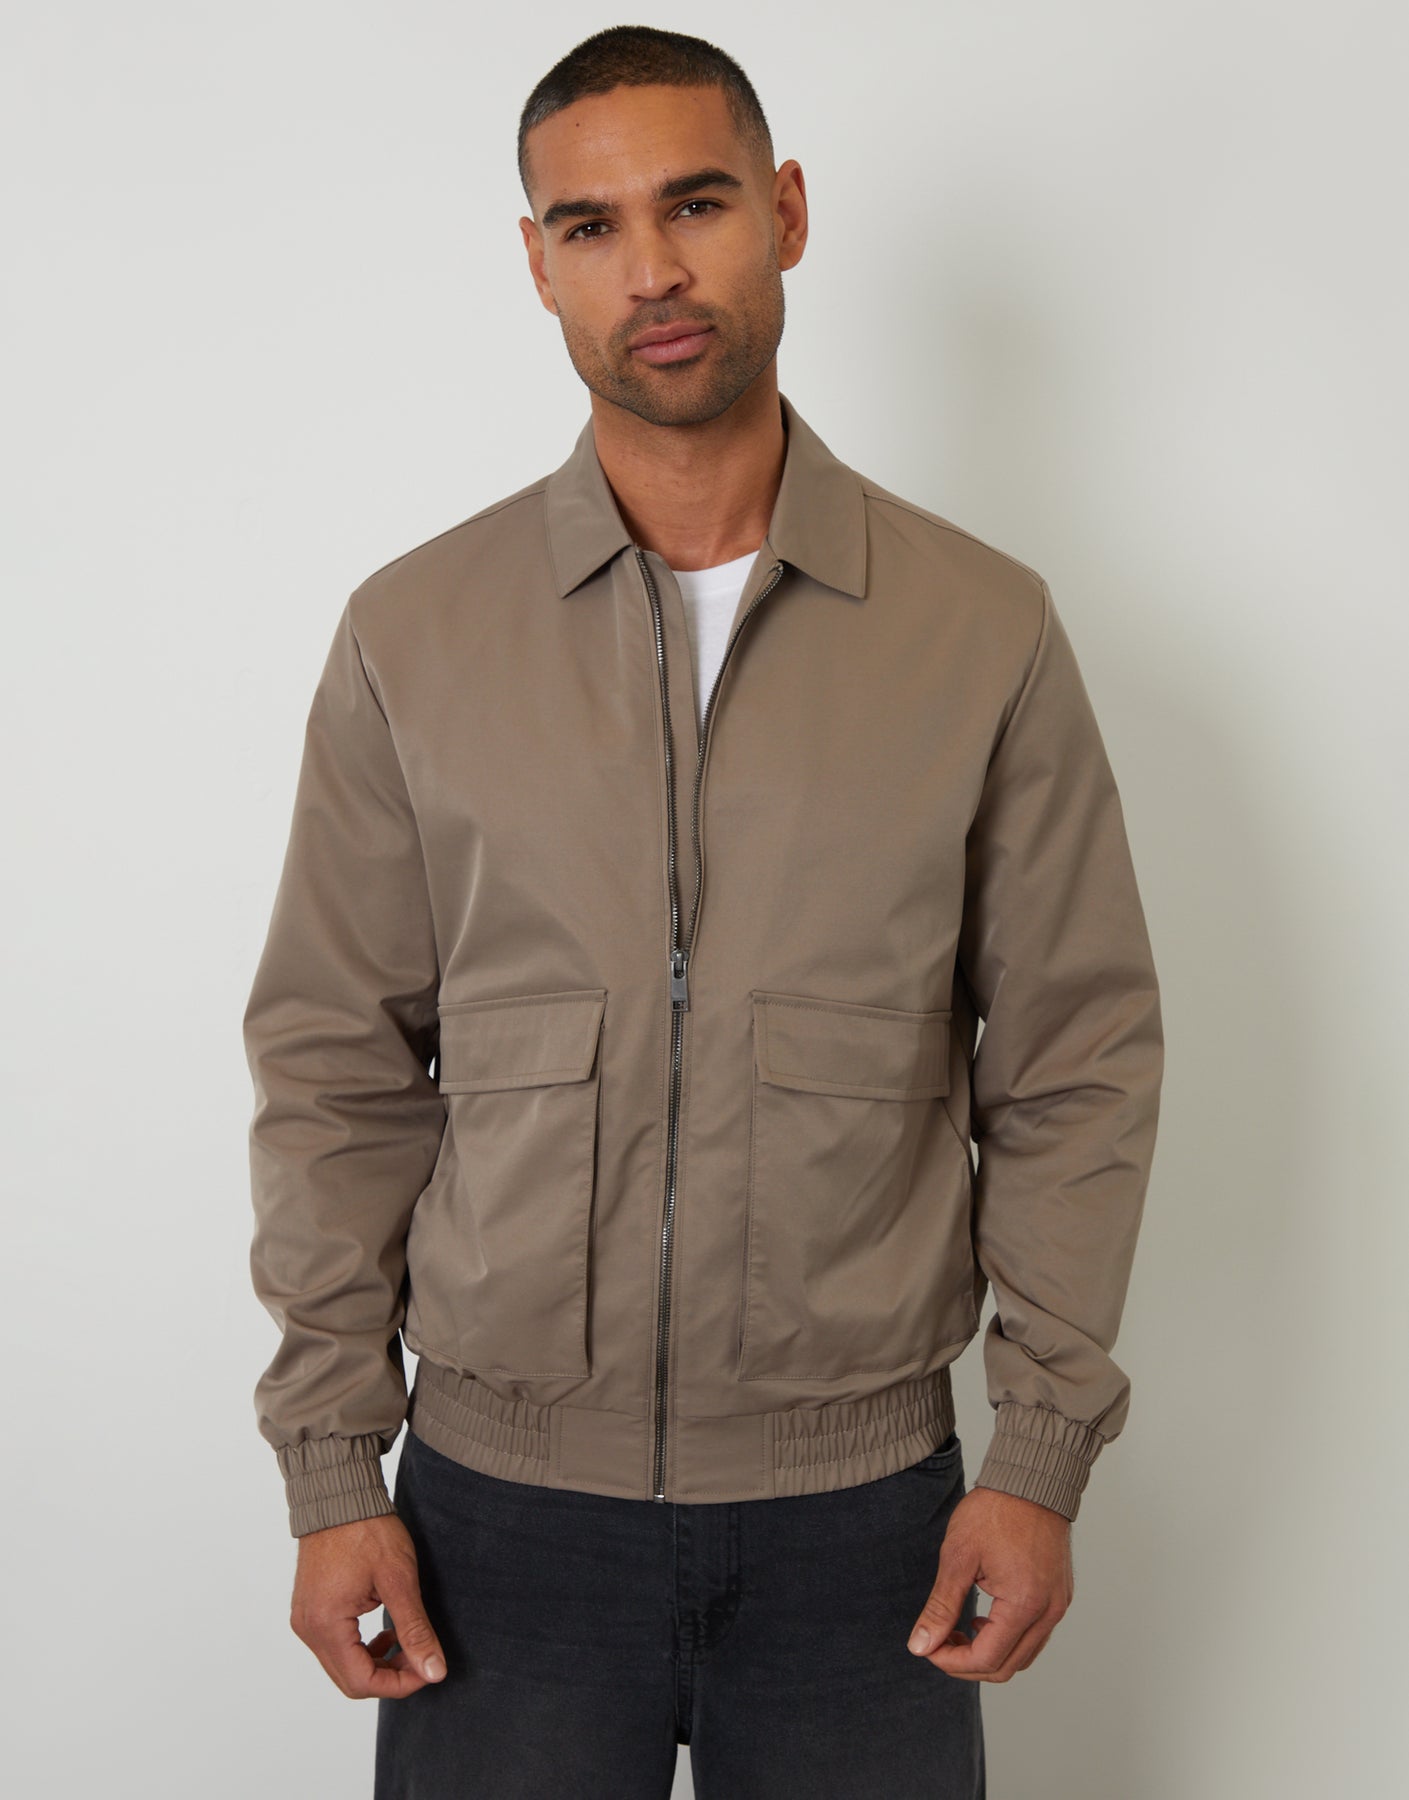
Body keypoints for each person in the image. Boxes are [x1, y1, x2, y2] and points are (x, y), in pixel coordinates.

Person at [242, 24, 1164, 1799]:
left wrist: (1037, 1452)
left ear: (786, 214)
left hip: (865, 1521)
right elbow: (334, 1067)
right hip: (497, 1521)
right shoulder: (413, 633)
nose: (650, 271)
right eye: (587, 227)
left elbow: (1075, 1057)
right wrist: (333, 1470)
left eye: (695, 205)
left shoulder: (979, 629)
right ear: (537, 266)